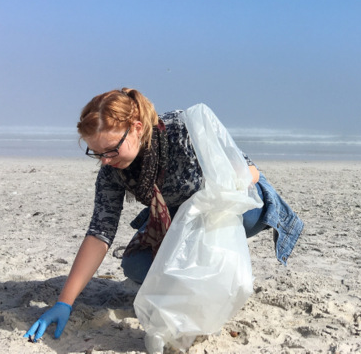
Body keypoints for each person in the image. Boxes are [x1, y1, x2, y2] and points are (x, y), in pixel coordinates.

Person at [24, 88, 303, 342]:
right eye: (96, 153)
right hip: (175, 219)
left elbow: (250, 171)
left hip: (232, 206)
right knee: (135, 266)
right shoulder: (113, 171)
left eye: (110, 150)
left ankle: (220, 269)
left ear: (136, 128)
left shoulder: (183, 129)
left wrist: (205, 217)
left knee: (239, 225)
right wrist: (65, 302)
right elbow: (100, 232)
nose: (106, 161)